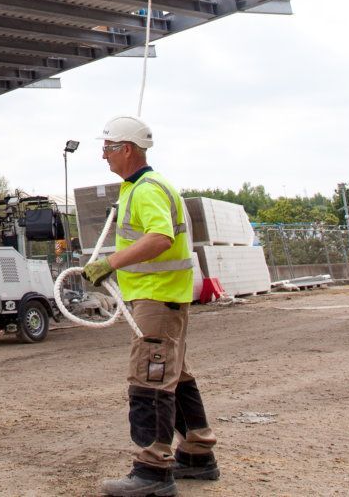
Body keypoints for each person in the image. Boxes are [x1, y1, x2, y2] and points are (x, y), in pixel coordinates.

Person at [80, 116, 219, 495]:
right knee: (175, 374)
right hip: (163, 297)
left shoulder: (146, 191)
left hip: (157, 298)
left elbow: (159, 237)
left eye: (108, 148)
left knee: (150, 378)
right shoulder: (139, 188)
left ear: (127, 149)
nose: (103, 155)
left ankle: (153, 471)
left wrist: (110, 263)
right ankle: (197, 452)